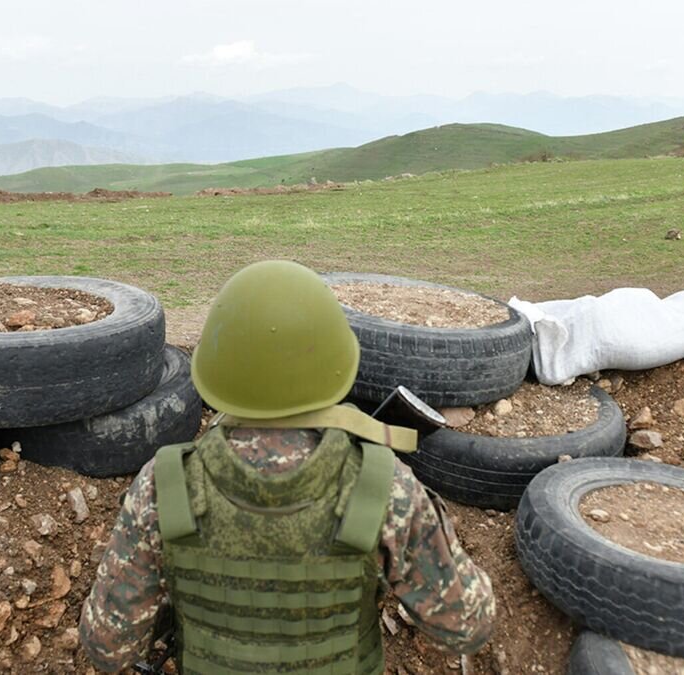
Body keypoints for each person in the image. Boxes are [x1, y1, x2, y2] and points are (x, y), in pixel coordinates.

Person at [80, 260, 496, 674]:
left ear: (216, 371)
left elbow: (107, 648)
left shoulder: (163, 487)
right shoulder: (385, 489)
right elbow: (466, 628)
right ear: (335, 366)